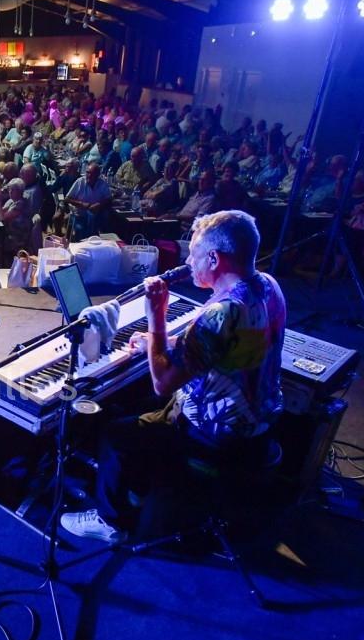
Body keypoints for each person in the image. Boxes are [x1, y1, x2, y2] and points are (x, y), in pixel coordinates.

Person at [61, 210, 287, 542]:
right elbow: (228, 348)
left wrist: (156, 317)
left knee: (115, 433)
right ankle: (137, 494)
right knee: (139, 405)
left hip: (215, 435)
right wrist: (165, 344)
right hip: (260, 419)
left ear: (213, 258)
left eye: (193, 253)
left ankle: (111, 523)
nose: (187, 260)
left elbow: (163, 382)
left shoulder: (219, 314)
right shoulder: (267, 286)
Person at [65, 161, 111, 241]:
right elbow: (67, 198)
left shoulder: (102, 184)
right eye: (87, 173)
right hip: (79, 215)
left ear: (97, 175)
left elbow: (109, 199)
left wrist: (98, 204)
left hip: (96, 216)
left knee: (104, 223)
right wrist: (81, 203)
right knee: (82, 229)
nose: (89, 176)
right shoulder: (80, 182)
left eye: (92, 174)